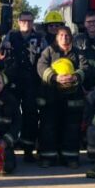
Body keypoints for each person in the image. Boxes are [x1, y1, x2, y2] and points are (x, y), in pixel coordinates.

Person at [36, 25, 86, 167]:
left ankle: (70, 158)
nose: (64, 38)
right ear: (57, 38)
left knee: (71, 129)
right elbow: (41, 66)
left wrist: (75, 77)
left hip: (72, 98)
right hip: (51, 97)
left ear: (71, 37)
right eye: (61, 35)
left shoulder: (77, 53)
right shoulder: (49, 51)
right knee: (49, 127)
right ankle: (48, 157)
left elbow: (85, 68)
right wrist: (55, 78)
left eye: (67, 35)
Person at [6, 11, 47, 161]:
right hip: (14, 82)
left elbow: (45, 58)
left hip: (32, 82)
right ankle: (9, 146)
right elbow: (1, 53)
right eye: (23, 21)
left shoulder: (40, 39)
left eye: (29, 21)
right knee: (11, 115)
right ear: (18, 22)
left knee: (31, 116)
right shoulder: (10, 36)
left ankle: (28, 150)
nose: (27, 24)